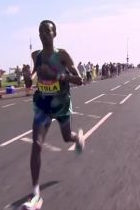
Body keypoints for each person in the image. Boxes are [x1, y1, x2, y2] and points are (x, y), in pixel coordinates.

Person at [23, 20, 85, 209]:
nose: (43, 34)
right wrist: (27, 77)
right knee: (36, 145)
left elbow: (80, 80)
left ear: (54, 34)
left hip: (62, 104)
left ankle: (77, 138)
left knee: (66, 137)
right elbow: (33, 77)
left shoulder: (62, 55)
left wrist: (56, 75)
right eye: (41, 31)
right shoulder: (36, 55)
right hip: (42, 104)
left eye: (47, 31)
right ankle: (36, 196)